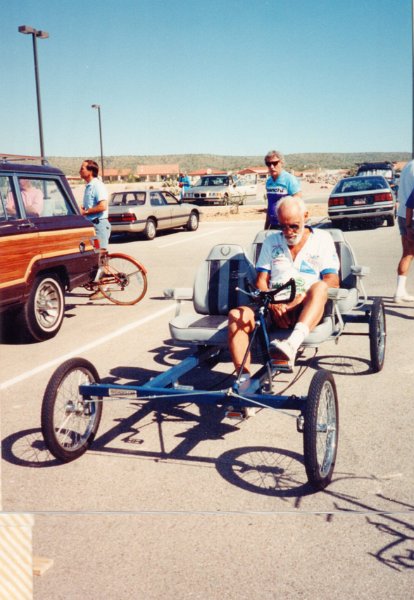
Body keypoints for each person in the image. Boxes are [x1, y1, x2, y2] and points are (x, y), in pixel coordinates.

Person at [228, 196, 340, 383]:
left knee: (320, 286)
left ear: (306, 216)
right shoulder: (271, 242)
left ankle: (291, 345)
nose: (288, 232)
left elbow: (332, 280)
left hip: (306, 306)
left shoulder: (322, 239)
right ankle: (244, 380)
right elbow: (262, 281)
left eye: (294, 226)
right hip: (273, 304)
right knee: (236, 315)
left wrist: (300, 298)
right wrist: (271, 303)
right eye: (283, 226)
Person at [79, 159, 111, 300]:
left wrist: (86, 212)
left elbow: (102, 206)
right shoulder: (89, 186)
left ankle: (104, 288)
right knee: (97, 256)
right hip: (93, 226)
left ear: (90, 171)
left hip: (99, 226)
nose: (80, 171)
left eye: (82, 168)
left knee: (102, 256)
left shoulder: (97, 185)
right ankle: (100, 285)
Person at [264, 150, 301, 229]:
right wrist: (266, 227)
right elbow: (270, 205)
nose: (272, 167)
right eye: (268, 164)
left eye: (275, 163)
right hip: (273, 225)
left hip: (286, 225)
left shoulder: (289, 179)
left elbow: (298, 204)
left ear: (281, 163)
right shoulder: (268, 182)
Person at [393, 159, 414, 302]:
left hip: (403, 214)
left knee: (407, 253)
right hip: (411, 214)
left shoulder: (408, 165)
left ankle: (399, 291)